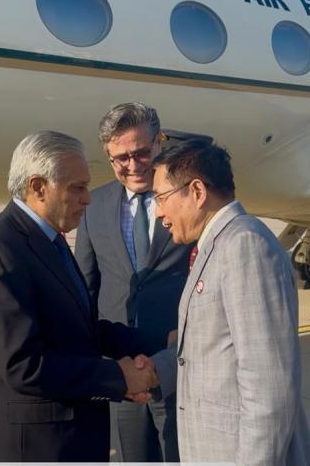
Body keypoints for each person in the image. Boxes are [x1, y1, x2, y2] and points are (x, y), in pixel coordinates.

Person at [0, 131, 165, 463]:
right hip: (29, 447)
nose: (87, 199)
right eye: (77, 188)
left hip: (64, 439)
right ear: (38, 187)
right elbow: (23, 365)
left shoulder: (49, 240)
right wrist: (117, 377)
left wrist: (160, 342)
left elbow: (82, 331)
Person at [144, 140, 310, 465]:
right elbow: (213, 350)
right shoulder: (216, 245)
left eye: (161, 198)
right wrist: (157, 372)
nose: (158, 212)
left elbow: (269, 389)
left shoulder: (245, 246)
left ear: (197, 191)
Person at [75, 103, 191, 462]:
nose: (133, 164)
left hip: (177, 363)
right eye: (121, 158)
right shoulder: (94, 206)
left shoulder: (186, 198)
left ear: (159, 142)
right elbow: (85, 289)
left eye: (141, 152)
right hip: (122, 370)